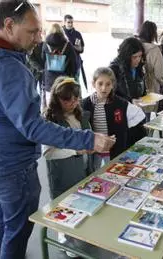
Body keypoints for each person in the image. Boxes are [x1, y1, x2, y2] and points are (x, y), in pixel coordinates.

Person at [0, 2, 115, 258]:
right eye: (33, 31)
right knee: (16, 232)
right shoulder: (9, 68)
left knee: (2, 226)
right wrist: (87, 138)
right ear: (9, 25)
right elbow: (32, 126)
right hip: (12, 168)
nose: (39, 38)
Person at [43, 77, 94, 258]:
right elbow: (49, 153)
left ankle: (76, 236)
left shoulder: (80, 114)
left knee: (81, 202)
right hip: (63, 173)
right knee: (63, 206)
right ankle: (64, 238)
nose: (73, 103)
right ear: (57, 99)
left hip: (83, 169)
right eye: (67, 100)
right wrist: (76, 151)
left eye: (76, 98)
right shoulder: (50, 120)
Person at [83, 67, 146, 169]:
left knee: (113, 170)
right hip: (95, 150)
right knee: (94, 173)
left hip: (113, 149)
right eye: (100, 84)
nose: (104, 88)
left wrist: (123, 126)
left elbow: (140, 115)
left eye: (108, 84)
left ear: (112, 85)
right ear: (93, 83)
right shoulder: (86, 104)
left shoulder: (120, 103)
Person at [41, 23, 77, 107]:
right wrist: (72, 76)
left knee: (50, 106)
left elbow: (43, 59)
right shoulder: (67, 44)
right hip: (64, 80)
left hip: (49, 80)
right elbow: (73, 62)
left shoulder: (45, 44)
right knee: (64, 106)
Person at [109, 37, 146, 103]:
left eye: (140, 56)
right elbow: (110, 95)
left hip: (135, 109)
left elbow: (140, 91)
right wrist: (130, 101)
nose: (138, 60)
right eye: (134, 57)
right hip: (120, 110)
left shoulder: (138, 67)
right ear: (126, 56)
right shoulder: (114, 69)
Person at [63, 14, 87, 88]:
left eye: (72, 22)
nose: (70, 24)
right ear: (64, 22)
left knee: (76, 85)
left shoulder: (77, 34)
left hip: (76, 63)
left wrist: (73, 47)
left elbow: (81, 49)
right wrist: (73, 47)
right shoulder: (60, 33)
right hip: (63, 64)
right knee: (65, 86)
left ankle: (78, 99)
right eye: (68, 22)